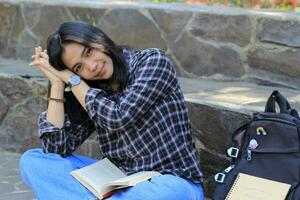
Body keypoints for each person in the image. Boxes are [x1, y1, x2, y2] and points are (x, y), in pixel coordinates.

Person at [19, 21, 204, 200]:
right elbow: (55, 149)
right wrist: (58, 83)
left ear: (99, 39)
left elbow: (118, 117)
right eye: (78, 68)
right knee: (33, 161)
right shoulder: (91, 89)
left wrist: (73, 80)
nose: (92, 66)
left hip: (169, 182)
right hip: (117, 183)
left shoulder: (153, 61)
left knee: (165, 193)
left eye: (89, 52)